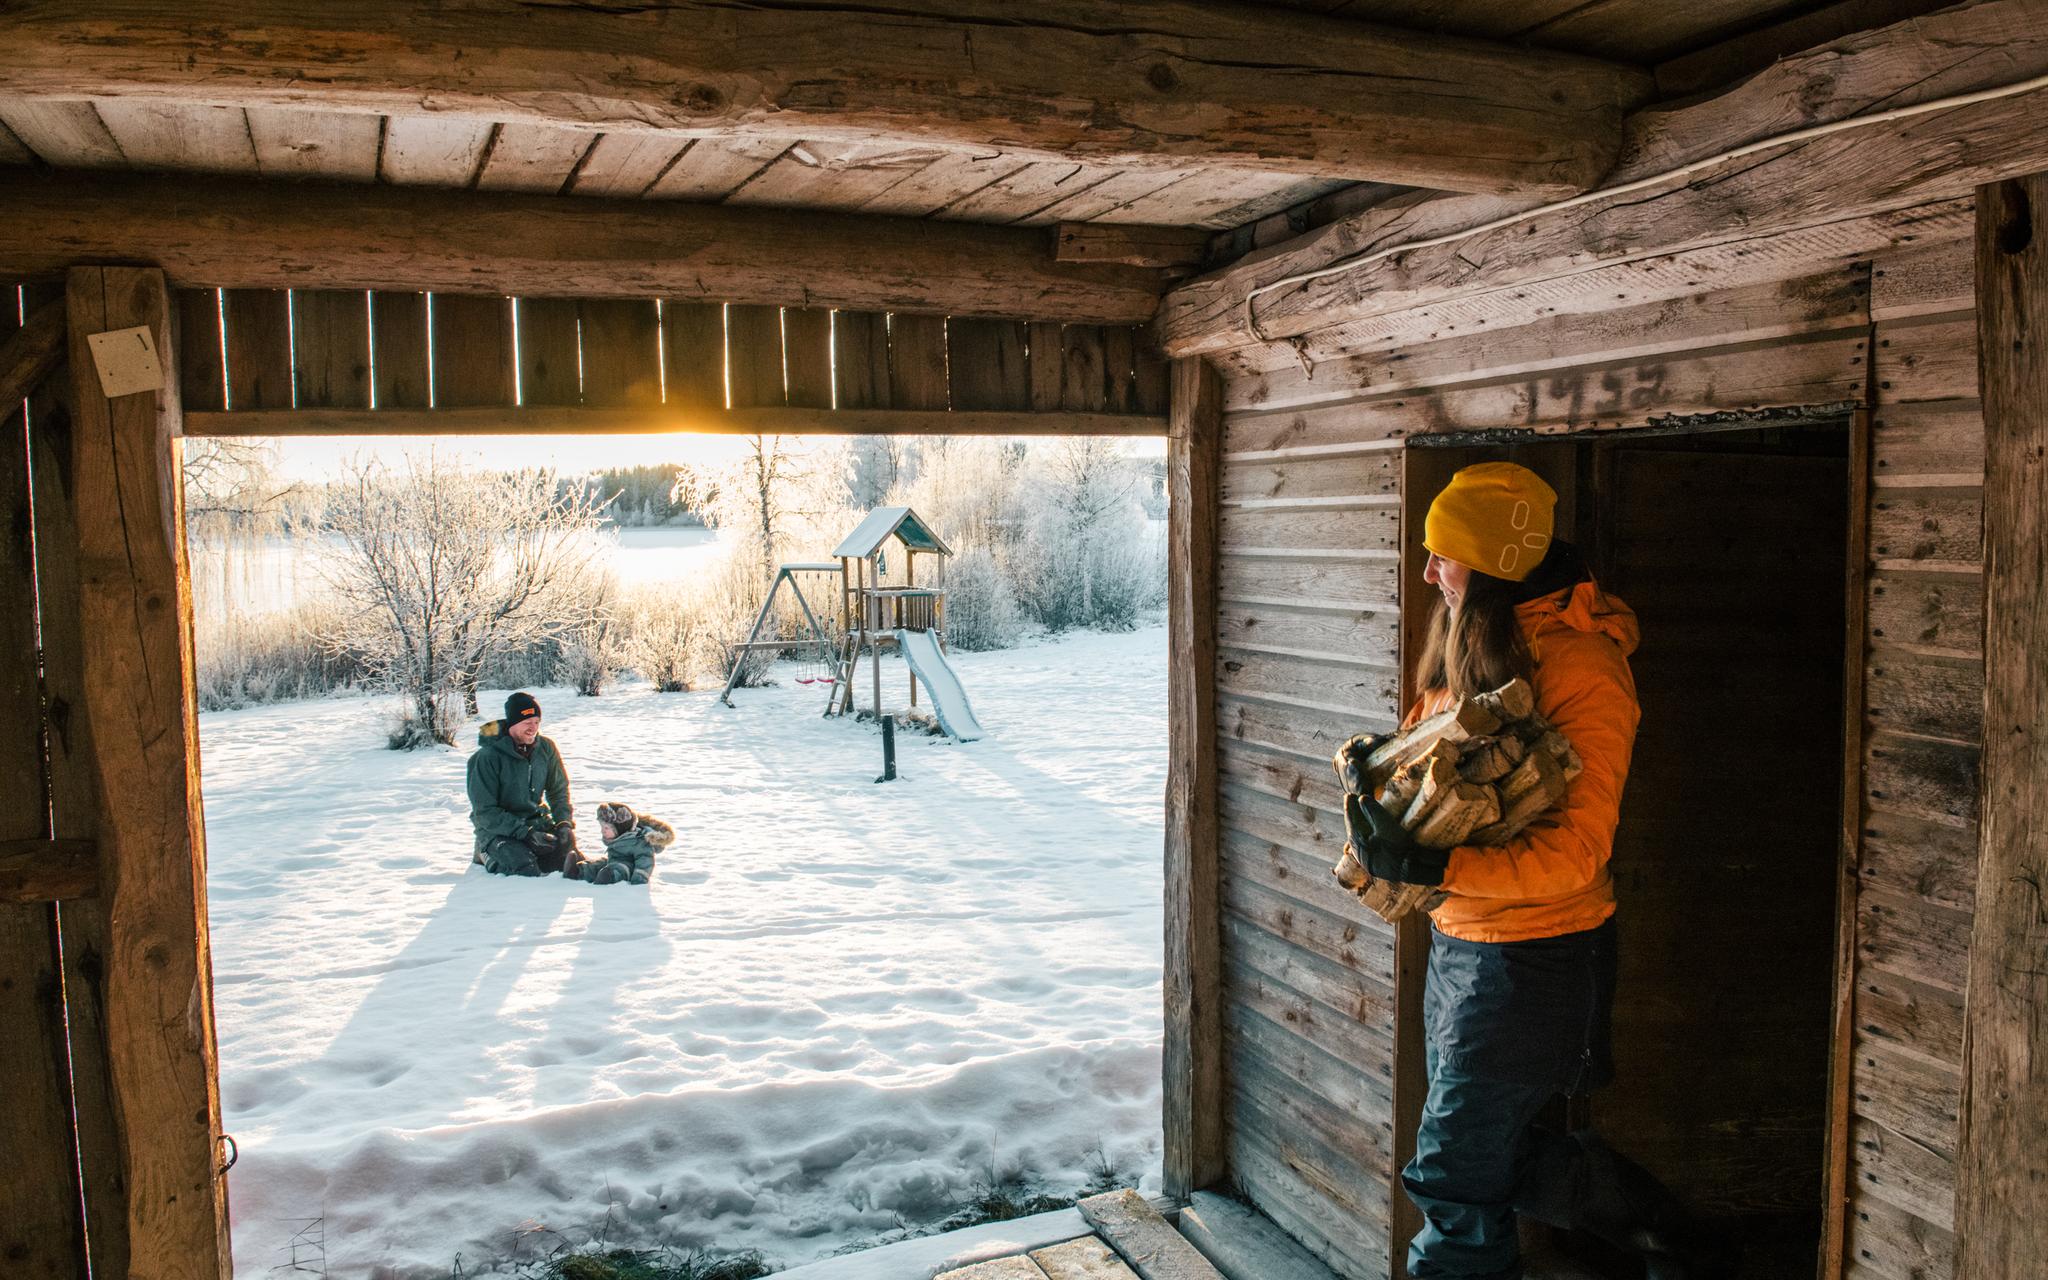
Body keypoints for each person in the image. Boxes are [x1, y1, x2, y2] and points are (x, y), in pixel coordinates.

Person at [1344, 462, 1734, 1280]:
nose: (1428, 573)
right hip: (1464, 943)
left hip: (1540, 957)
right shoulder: (1476, 644)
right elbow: (1452, 775)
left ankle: (1667, 1237)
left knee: (1454, 1173)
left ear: (1493, 564)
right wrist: (1380, 785)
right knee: (1495, 1156)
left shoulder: (1584, 668)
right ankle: (1671, 1237)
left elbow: (1578, 852)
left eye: (1445, 556)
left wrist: (1435, 861)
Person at [468, 691, 579, 876]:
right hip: (497, 830)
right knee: (525, 867)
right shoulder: (487, 757)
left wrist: (563, 823)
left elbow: (558, 790)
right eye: (527, 723)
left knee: (569, 859)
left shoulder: (546, 748)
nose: (533, 728)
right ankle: (484, 852)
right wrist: (525, 833)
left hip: (535, 824)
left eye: (536, 722)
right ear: (512, 724)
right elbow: (484, 812)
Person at [569, 801, 673, 886]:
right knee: (600, 864)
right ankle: (578, 871)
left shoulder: (639, 841)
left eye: (606, 828)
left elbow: (645, 861)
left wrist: (639, 879)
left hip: (628, 869)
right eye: (602, 827)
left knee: (618, 869)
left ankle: (609, 877)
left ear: (619, 828)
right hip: (613, 862)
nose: (602, 831)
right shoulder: (618, 838)